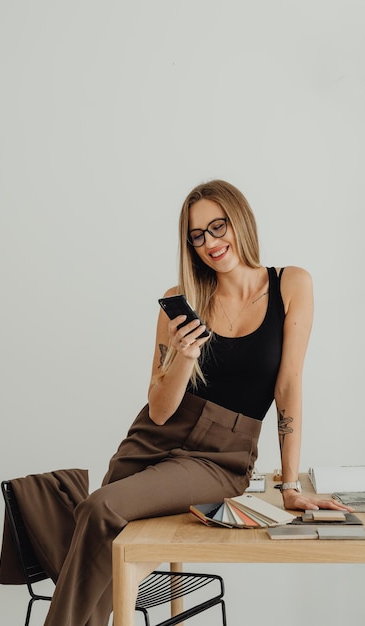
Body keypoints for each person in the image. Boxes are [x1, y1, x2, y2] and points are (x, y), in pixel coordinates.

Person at [44, 179, 351, 626]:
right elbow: (160, 409)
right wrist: (185, 357)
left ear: (240, 221)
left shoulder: (291, 284)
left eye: (217, 226)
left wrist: (289, 486)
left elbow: (288, 387)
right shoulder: (180, 299)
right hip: (153, 439)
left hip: (219, 458)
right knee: (107, 553)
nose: (210, 242)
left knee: (97, 509)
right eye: (197, 235)